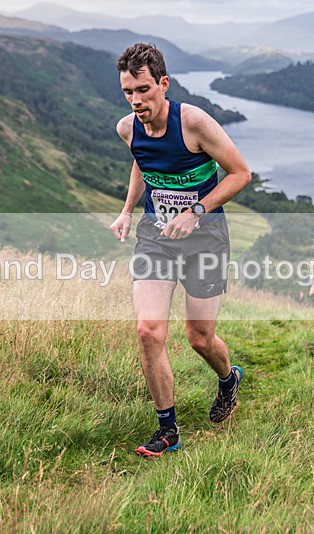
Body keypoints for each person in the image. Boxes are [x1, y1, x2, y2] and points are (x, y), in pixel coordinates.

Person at [109, 43, 252, 457]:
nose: (136, 100)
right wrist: (126, 211)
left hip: (204, 236)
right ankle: (168, 431)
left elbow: (241, 173)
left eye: (144, 89)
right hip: (156, 235)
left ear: (163, 84)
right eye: (128, 92)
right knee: (148, 332)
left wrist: (196, 209)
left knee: (199, 338)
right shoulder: (127, 128)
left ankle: (228, 380)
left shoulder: (193, 122)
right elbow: (142, 163)